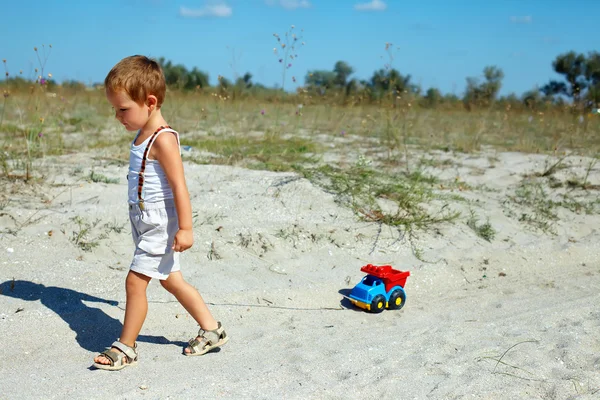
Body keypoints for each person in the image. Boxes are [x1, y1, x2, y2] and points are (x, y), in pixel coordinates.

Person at [93, 55, 228, 371]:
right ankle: (211, 329)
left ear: (150, 102)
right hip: (143, 222)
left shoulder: (163, 139)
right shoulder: (141, 134)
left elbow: (180, 187)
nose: (117, 116)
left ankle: (125, 347)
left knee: (135, 282)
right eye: (115, 109)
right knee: (170, 280)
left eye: (123, 109)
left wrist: (186, 228)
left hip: (161, 225)